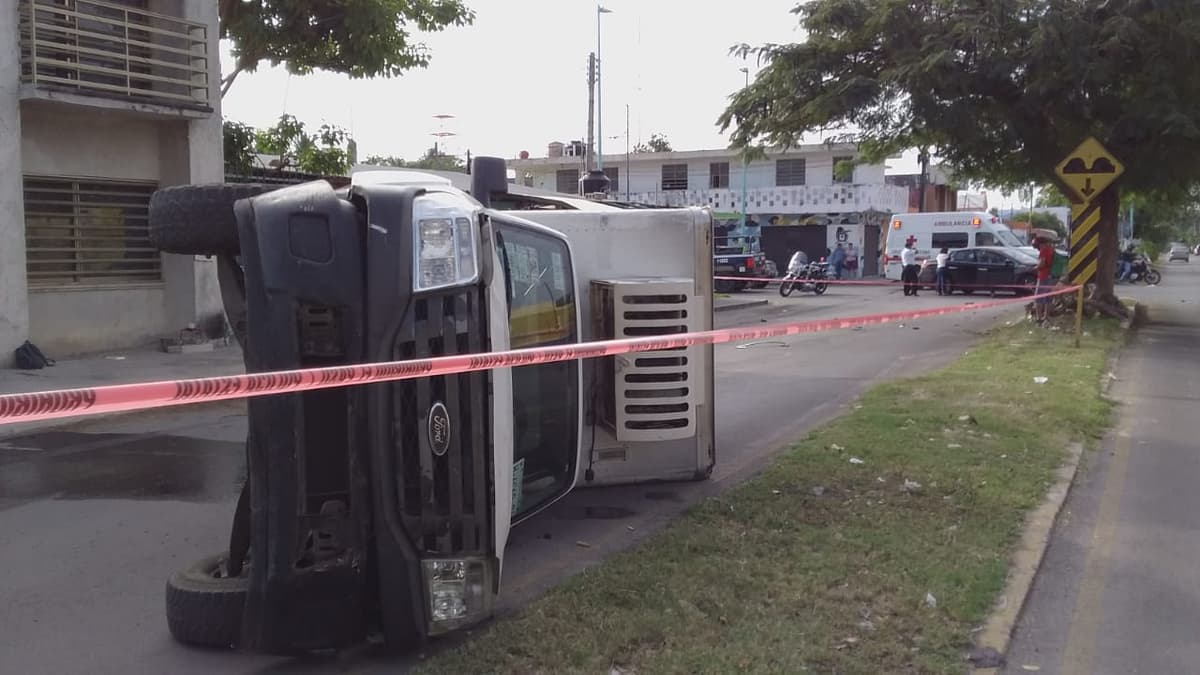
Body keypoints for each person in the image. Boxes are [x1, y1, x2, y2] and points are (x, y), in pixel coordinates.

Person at [1034, 235, 1055, 323]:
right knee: (1048, 298)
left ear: (1040, 244)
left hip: (1043, 276)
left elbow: (1042, 264)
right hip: (1051, 275)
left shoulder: (1043, 250)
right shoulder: (1051, 249)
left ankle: (1039, 318)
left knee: (1038, 297)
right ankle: (1046, 317)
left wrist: (1035, 268)